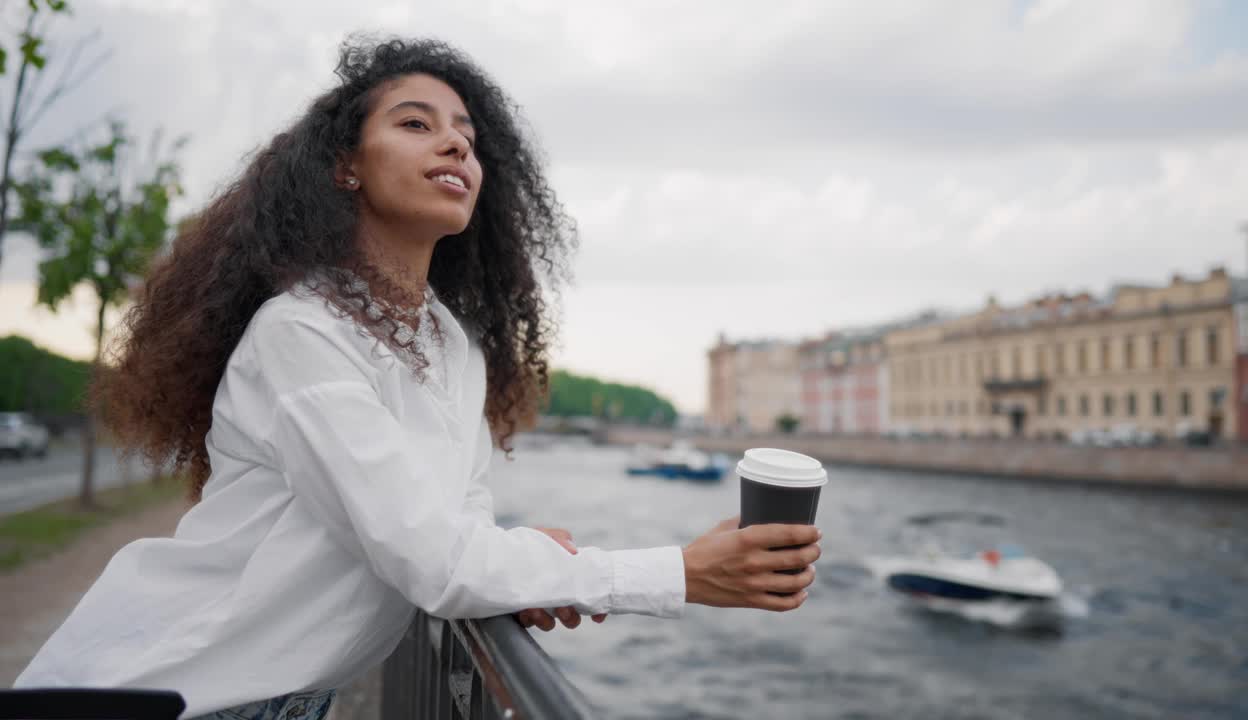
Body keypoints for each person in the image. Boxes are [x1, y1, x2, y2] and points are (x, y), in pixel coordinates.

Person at [13, 36, 822, 719]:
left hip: (289, 699)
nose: (457, 146)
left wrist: (519, 567)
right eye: (415, 123)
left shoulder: (452, 349)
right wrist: (679, 572)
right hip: (161, 686)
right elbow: (432, 560)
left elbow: (458, 534)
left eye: (468, 135)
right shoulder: (302, 331)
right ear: (345, 169)